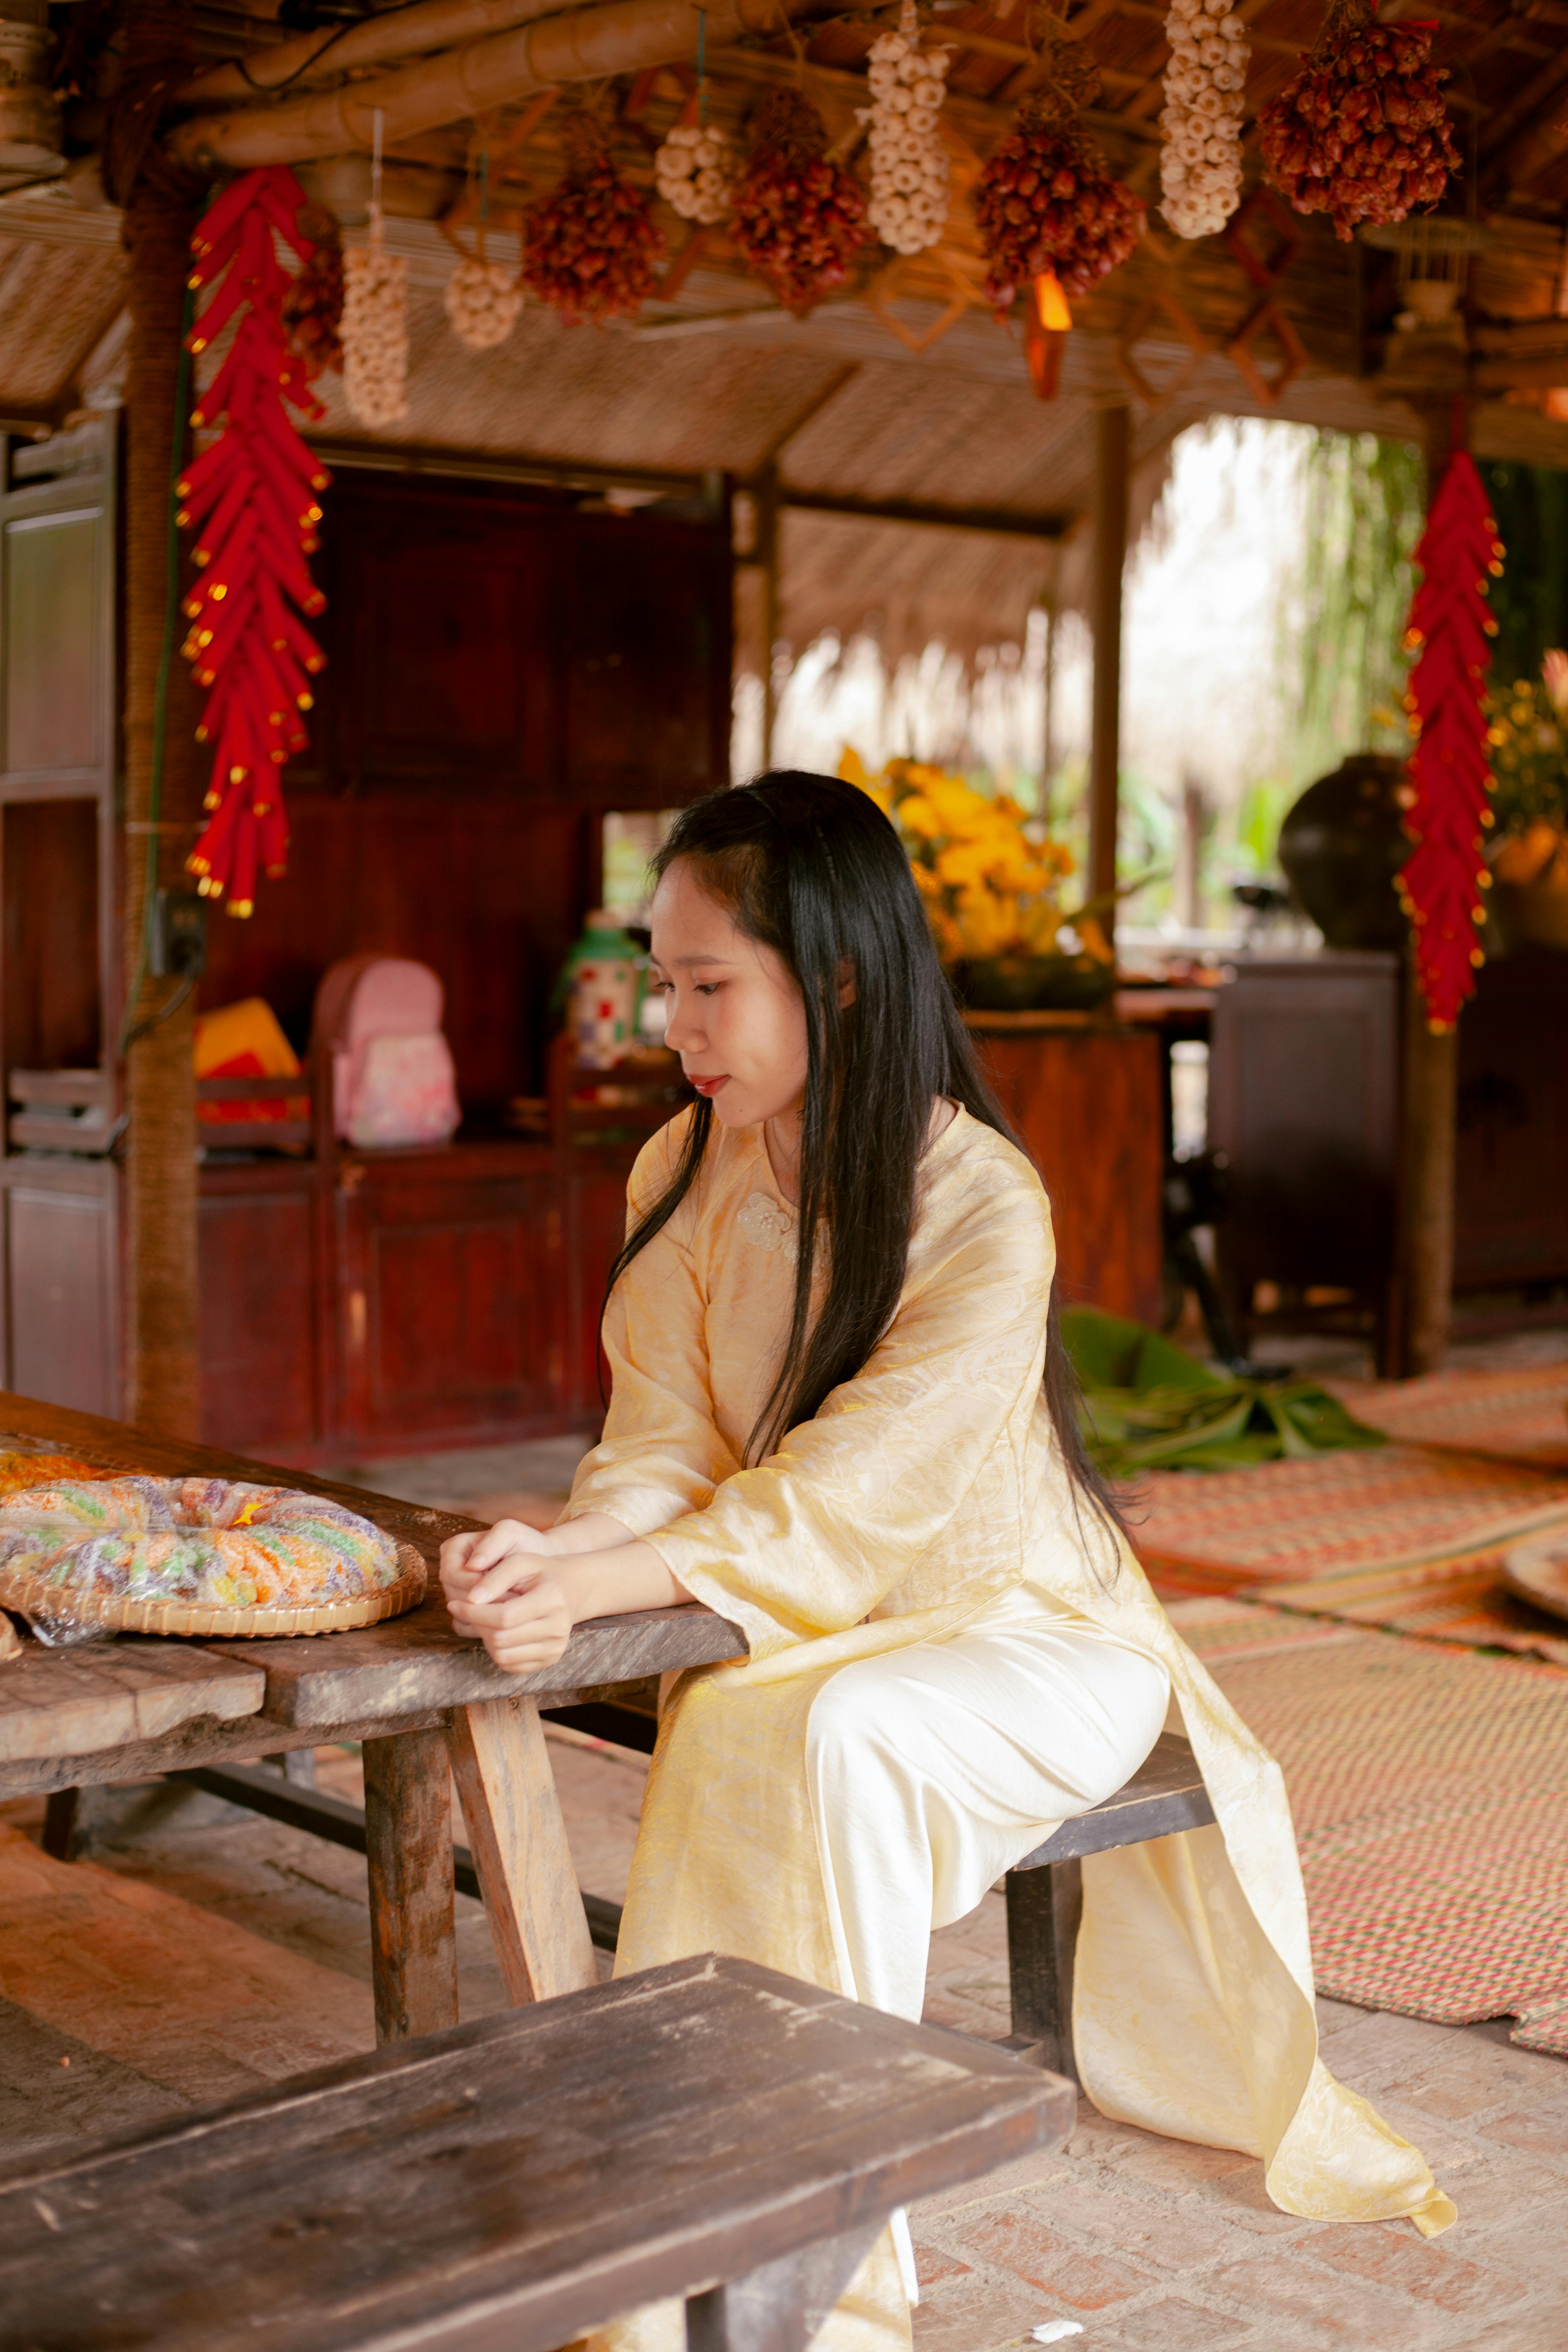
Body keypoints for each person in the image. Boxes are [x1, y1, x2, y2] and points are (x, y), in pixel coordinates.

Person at [441, 773, 1452, 2352]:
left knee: (827, 1732)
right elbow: (666, 1446)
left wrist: (604, 1585)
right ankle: (696, 2231)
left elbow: (857, 1491)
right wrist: (557, 1555)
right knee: (751, 1719)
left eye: (711, 984)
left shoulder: (978, 1195)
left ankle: (830, 2284)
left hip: (1033, 1634)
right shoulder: (682, 1169)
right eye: (664, 978)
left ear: (836, 976)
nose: (673, 1021)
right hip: (828, 1625)